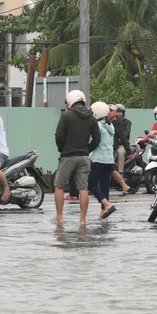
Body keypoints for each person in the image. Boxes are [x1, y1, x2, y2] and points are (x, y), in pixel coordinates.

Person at [54, 90, 101, 226]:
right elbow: (97, 139)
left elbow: (59, 136)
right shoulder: (91, 117)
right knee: (83, 188)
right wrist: (87, 149)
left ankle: (59, 216)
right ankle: (82, 220)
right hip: (84, 157)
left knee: (59, 186)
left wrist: (61, 149)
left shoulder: (66, 116)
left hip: (68, 156)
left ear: (70, 101)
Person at [88, 101, 117, 219]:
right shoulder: (110, 125)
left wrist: (87, 149)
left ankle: (107, 204)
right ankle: (103, 211)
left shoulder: (98, 126)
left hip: (99, 159)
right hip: (109, 160)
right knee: (105, 186)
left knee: (91, 184)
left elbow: (95, 141)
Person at [110, 104, 133, 196]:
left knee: (120, 153)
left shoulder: (124, 122)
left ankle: (121, 173)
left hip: (120, 145)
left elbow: (124, 136)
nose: (119, 113)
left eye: (120, 112)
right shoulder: (107, 122)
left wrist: (128, 151)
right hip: (110, 146)